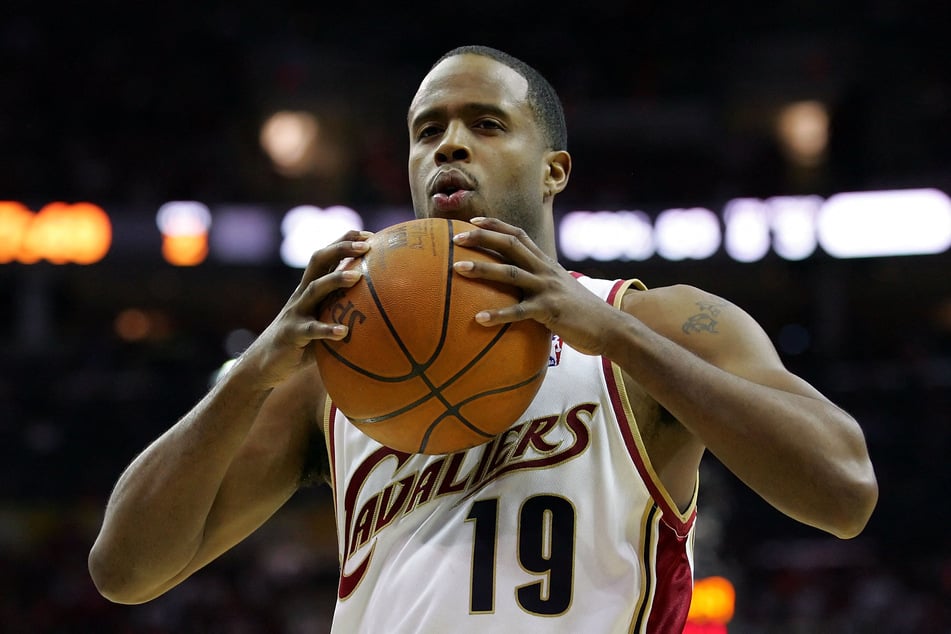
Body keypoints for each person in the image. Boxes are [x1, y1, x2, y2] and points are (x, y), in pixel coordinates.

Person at [88, 45, 878, 632]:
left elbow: (844, 492)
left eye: (484, 123)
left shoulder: (654, 324)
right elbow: (124, 570)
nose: (448, 145)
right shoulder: (334, 367)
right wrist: (250, 375)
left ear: (553, 170)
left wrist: (617, 340)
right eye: (425, 129)